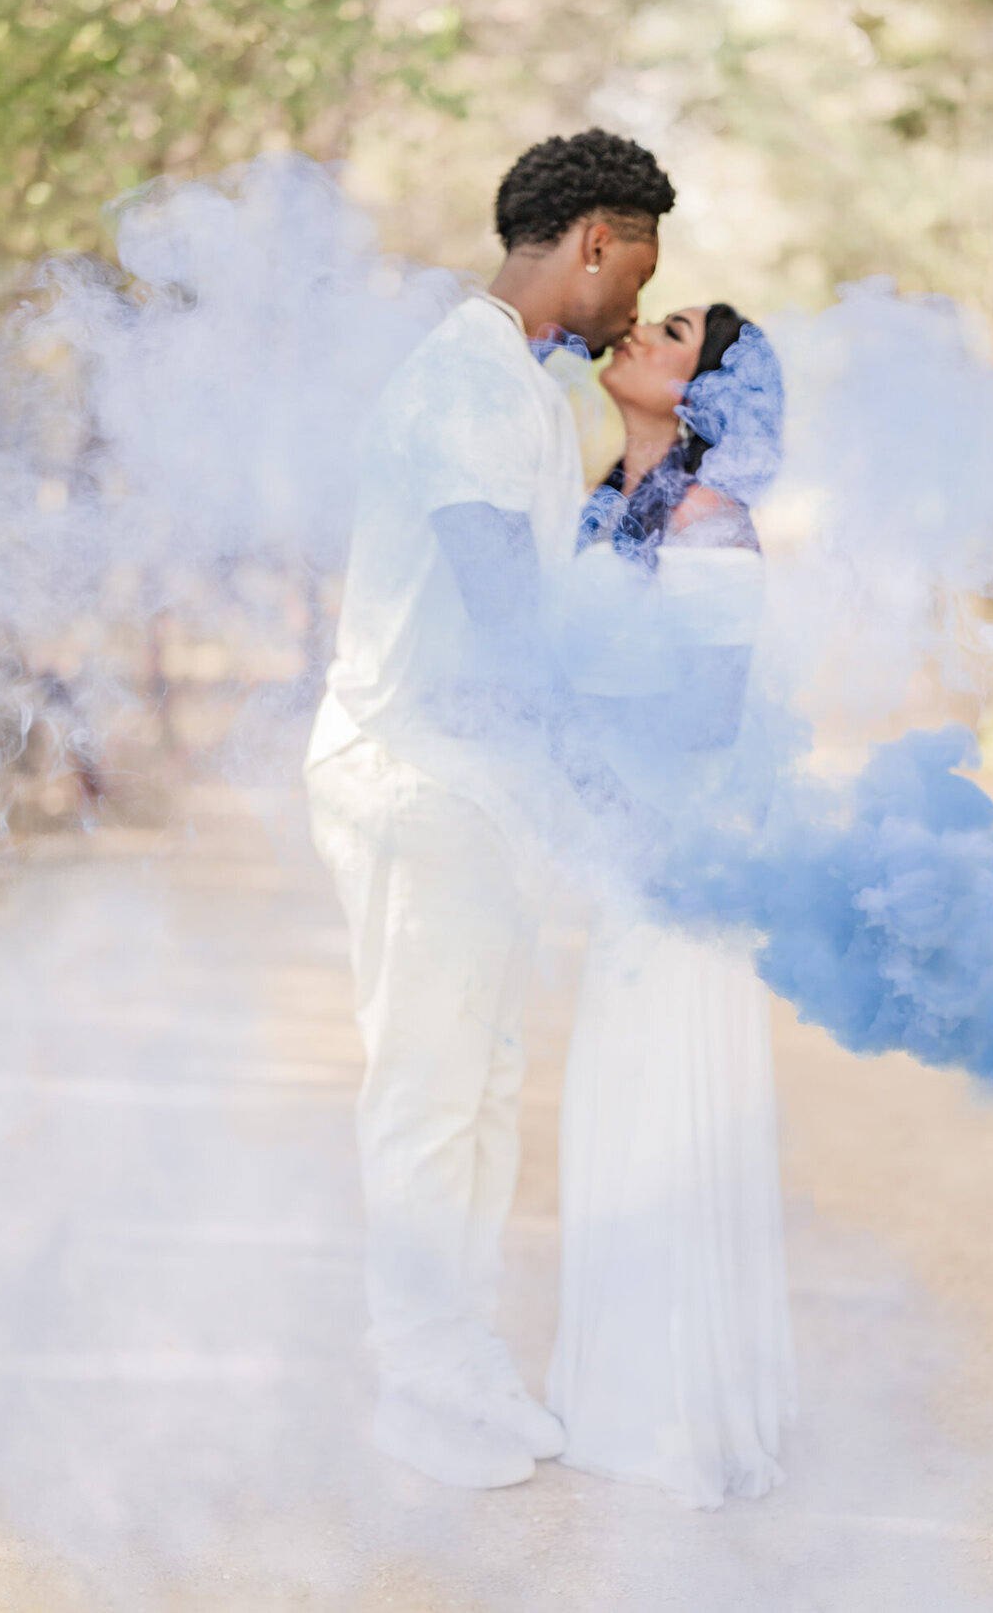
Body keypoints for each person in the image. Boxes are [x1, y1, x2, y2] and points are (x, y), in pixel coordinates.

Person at [304, 130, 675, 1489]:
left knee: (484, 1082)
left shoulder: (519, 386)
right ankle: (415, 1376)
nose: (639, 299)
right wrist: (593, 769)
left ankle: (454, 1352)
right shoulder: (464, 376)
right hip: (411, 776)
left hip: (476, 785)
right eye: (640, 264)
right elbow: (499, 600)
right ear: (592, 240)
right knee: (429, 1086)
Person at [546, 304, 798, 1508]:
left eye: (676, 332)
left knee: (666, 1100)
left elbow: (705, 717)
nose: (642, 329)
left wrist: (585, 747)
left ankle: (673, 1408)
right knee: (612, 1091)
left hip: (677, 857)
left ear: (701, 397)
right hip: (618, 851)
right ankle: (606, 1389)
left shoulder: (712, 524)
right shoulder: (604, 506)